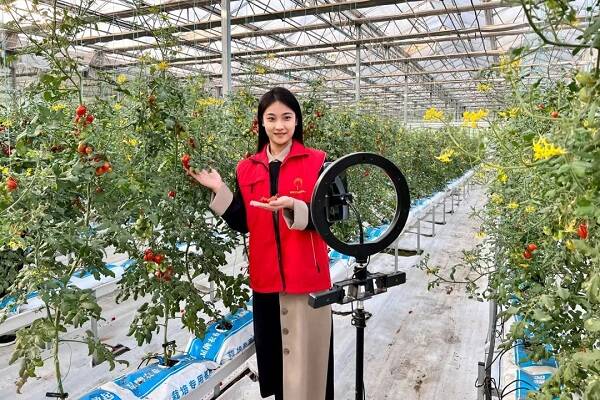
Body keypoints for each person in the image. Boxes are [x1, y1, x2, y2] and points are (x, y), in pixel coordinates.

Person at [186, 87, 334, 400]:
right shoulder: (246, 168)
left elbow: (332, 216)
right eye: (272, 118)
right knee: (280, 370)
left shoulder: (319, 162)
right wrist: (219, 189)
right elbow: (244, 221)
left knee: (312, 371)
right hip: (266, 280)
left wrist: (294, 207)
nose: (280, 125)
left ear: (297, 121)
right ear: (261, 123)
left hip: (307, 278)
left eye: (287, 117)